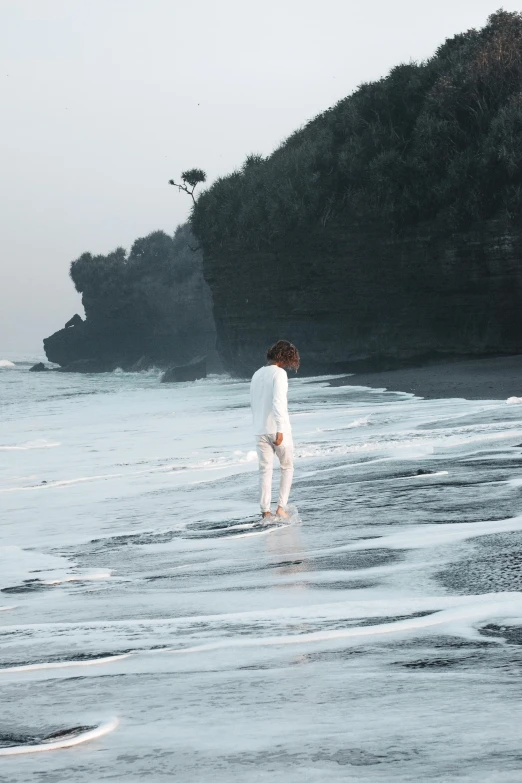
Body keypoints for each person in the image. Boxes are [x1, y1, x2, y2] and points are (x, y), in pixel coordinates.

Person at [249, 340, 300, 519]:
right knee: (287, 467)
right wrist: (280, 429)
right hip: (278, 429)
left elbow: (254, 403)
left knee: (265, 470)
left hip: (260, 429)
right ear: (284, 358)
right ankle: (281, 508)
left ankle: (265, 511)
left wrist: (258, 426)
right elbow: (278, 402)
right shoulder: (279, 374)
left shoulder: (256, 374)